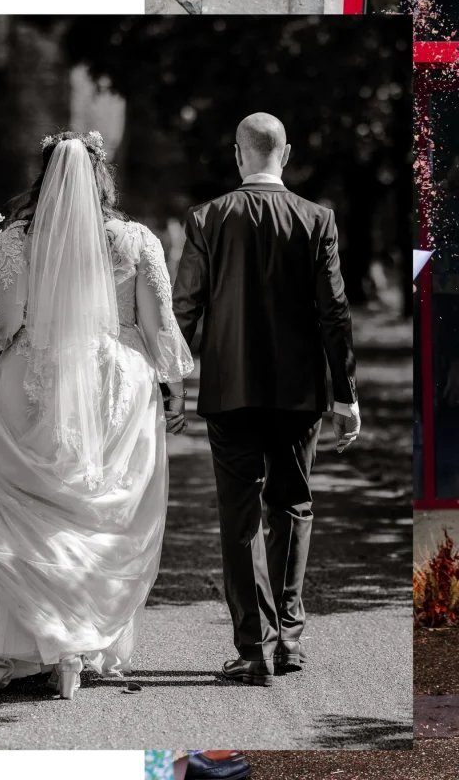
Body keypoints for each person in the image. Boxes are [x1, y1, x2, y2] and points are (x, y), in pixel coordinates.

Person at [0, 131, 194, 698]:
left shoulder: (20, 238)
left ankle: (37, 641)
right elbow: (159, 328)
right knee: (97, 513)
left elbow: (2, 322)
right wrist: (173, 389)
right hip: (115, 383)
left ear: (45, 178)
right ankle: (80, 641)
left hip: (34, 376)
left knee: (30, 508)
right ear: (102, 178)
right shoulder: (137, 240)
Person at [172, 113, 361, 688]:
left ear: (238, 155)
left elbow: (186, 308)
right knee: (293, 506)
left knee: (240, 518)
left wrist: (174, 385)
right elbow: (334, 312)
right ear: (286, 152)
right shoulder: (317, 220)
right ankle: (291, 641)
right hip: (299, 392)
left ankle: (252, 650)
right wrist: (346, 396)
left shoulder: (207, 218)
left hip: (229, 391)